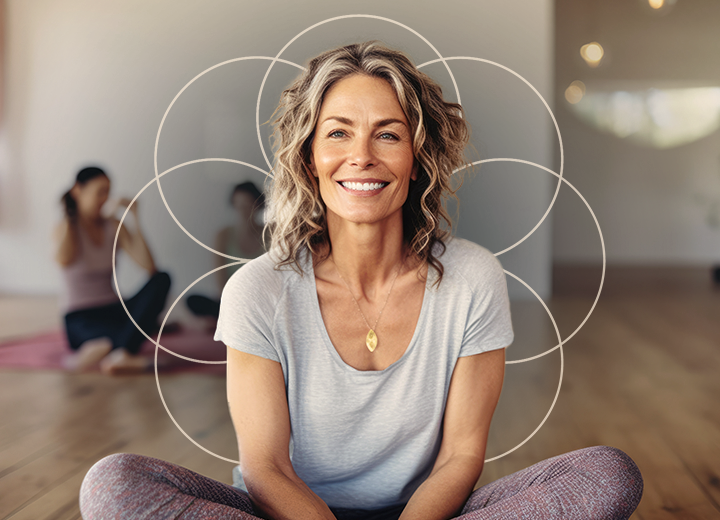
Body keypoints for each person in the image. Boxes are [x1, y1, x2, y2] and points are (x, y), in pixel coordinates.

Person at [78, 42, 643, 518]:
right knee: (111, 483)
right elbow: (266, 467)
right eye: (339, 134)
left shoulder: (473, 277)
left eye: (388, 135)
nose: (362, 157)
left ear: (418, 157)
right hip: (287, 511)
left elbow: (460, 457)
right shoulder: (259, 289)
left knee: (607, 475)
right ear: (309, 157)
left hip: (422, 513)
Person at [54, 166, 171, 375]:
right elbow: (63, 259)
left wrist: (134, 218)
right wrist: (71, 216)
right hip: (80, 317)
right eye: (99, 192)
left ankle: (118, 352)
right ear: (78, 191)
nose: (105, 198)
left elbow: (149, 267)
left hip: (114, 309)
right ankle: (120, 349)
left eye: (108, 192)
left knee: (162, 279)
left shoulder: (113, 226)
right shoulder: (66, 227)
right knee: (110, 338)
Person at [185, 181, 268, 322]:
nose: (243, 211)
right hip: (233, 302)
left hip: (264, 302)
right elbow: (221, 283)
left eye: (247, 205)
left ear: (257, 205)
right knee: (192, 300)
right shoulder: (223, 236)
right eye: (239, 205)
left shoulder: (271, 233)